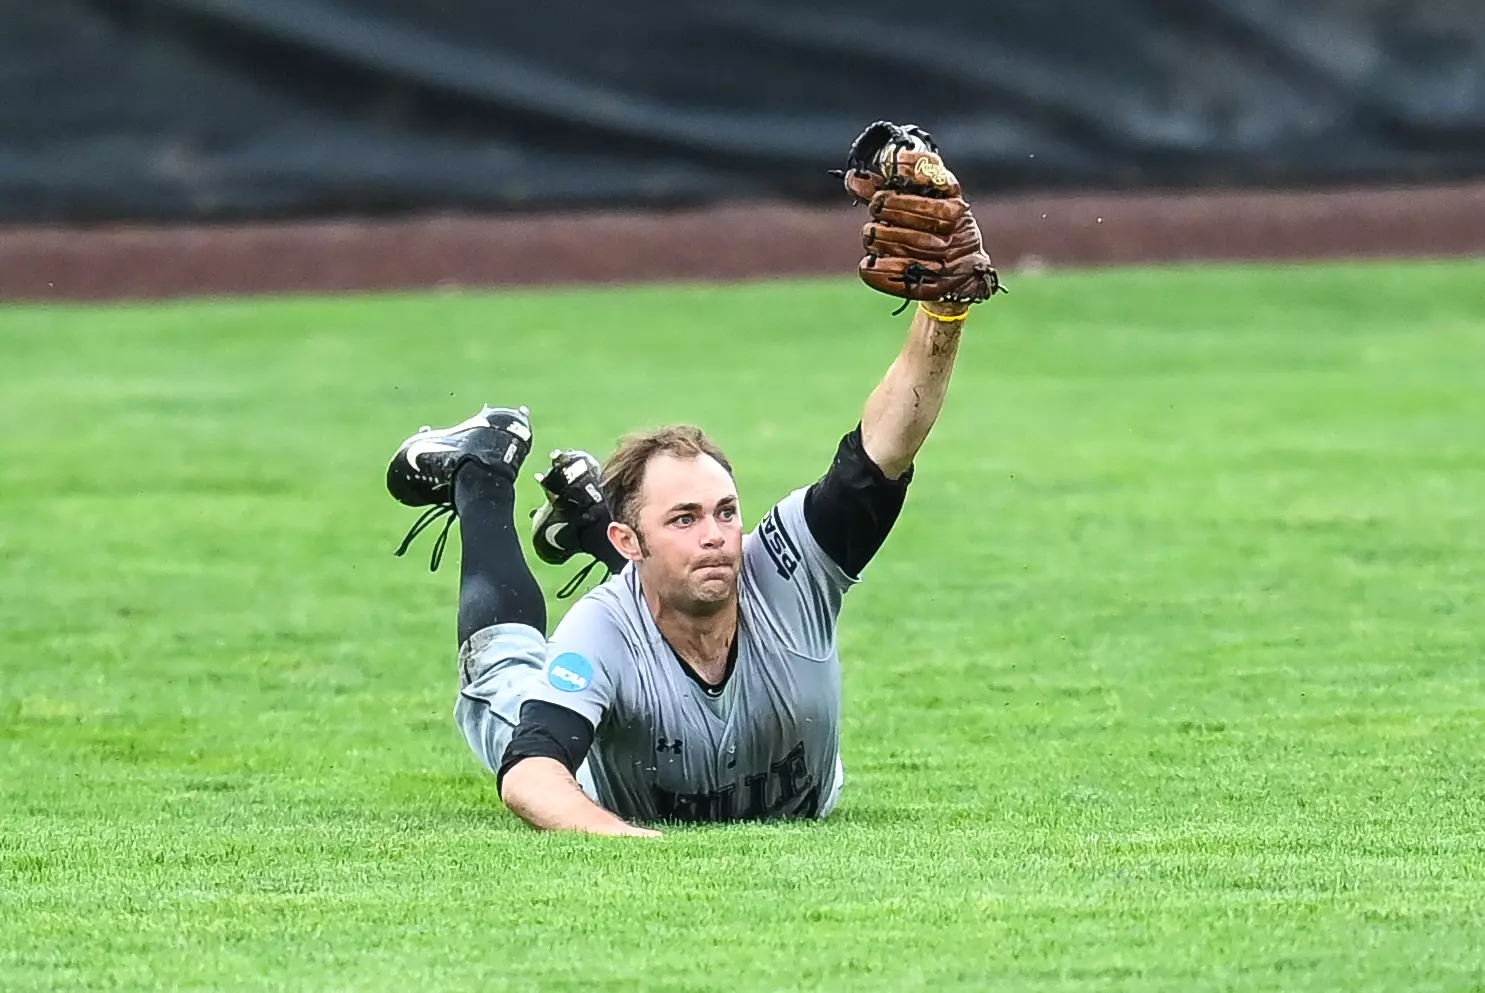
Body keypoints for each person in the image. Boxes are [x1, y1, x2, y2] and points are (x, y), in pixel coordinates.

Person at [386, 123, 999, 835]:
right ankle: (482, 470)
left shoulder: (788, 569)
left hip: (650, 583)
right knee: (504, 668)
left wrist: (943, 314)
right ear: (629, 542)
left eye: (725, 511)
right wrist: (629, 841)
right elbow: (530, 776)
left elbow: (882, 450)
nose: (717, 536)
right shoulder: (598, 634)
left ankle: (590, 511)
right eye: (685, 518)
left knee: (684, 576)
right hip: (599, 766)